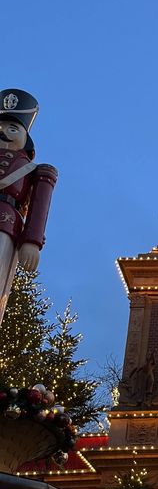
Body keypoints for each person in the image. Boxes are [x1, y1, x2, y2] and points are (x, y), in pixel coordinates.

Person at [0, 89, 57, 323]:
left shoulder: (36, 171)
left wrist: (31, 242)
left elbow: (38, 208)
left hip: (5, 225)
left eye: (12, 129)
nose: (3, 133)